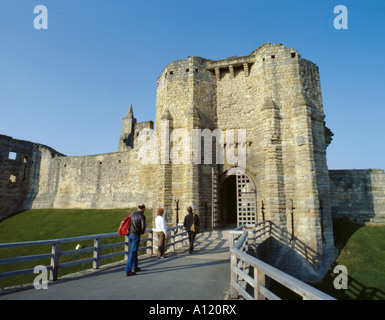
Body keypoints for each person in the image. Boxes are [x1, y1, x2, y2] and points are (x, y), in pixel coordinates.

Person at [125, 204, 146, 276]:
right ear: (143, 209)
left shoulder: (131, 214)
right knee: (133, 252)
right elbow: (143, 227)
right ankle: (128, 270)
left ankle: (135, 267)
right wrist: (140, 232)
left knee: (134, 250)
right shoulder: (142, 216)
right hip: (136, 235)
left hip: (130, 234)